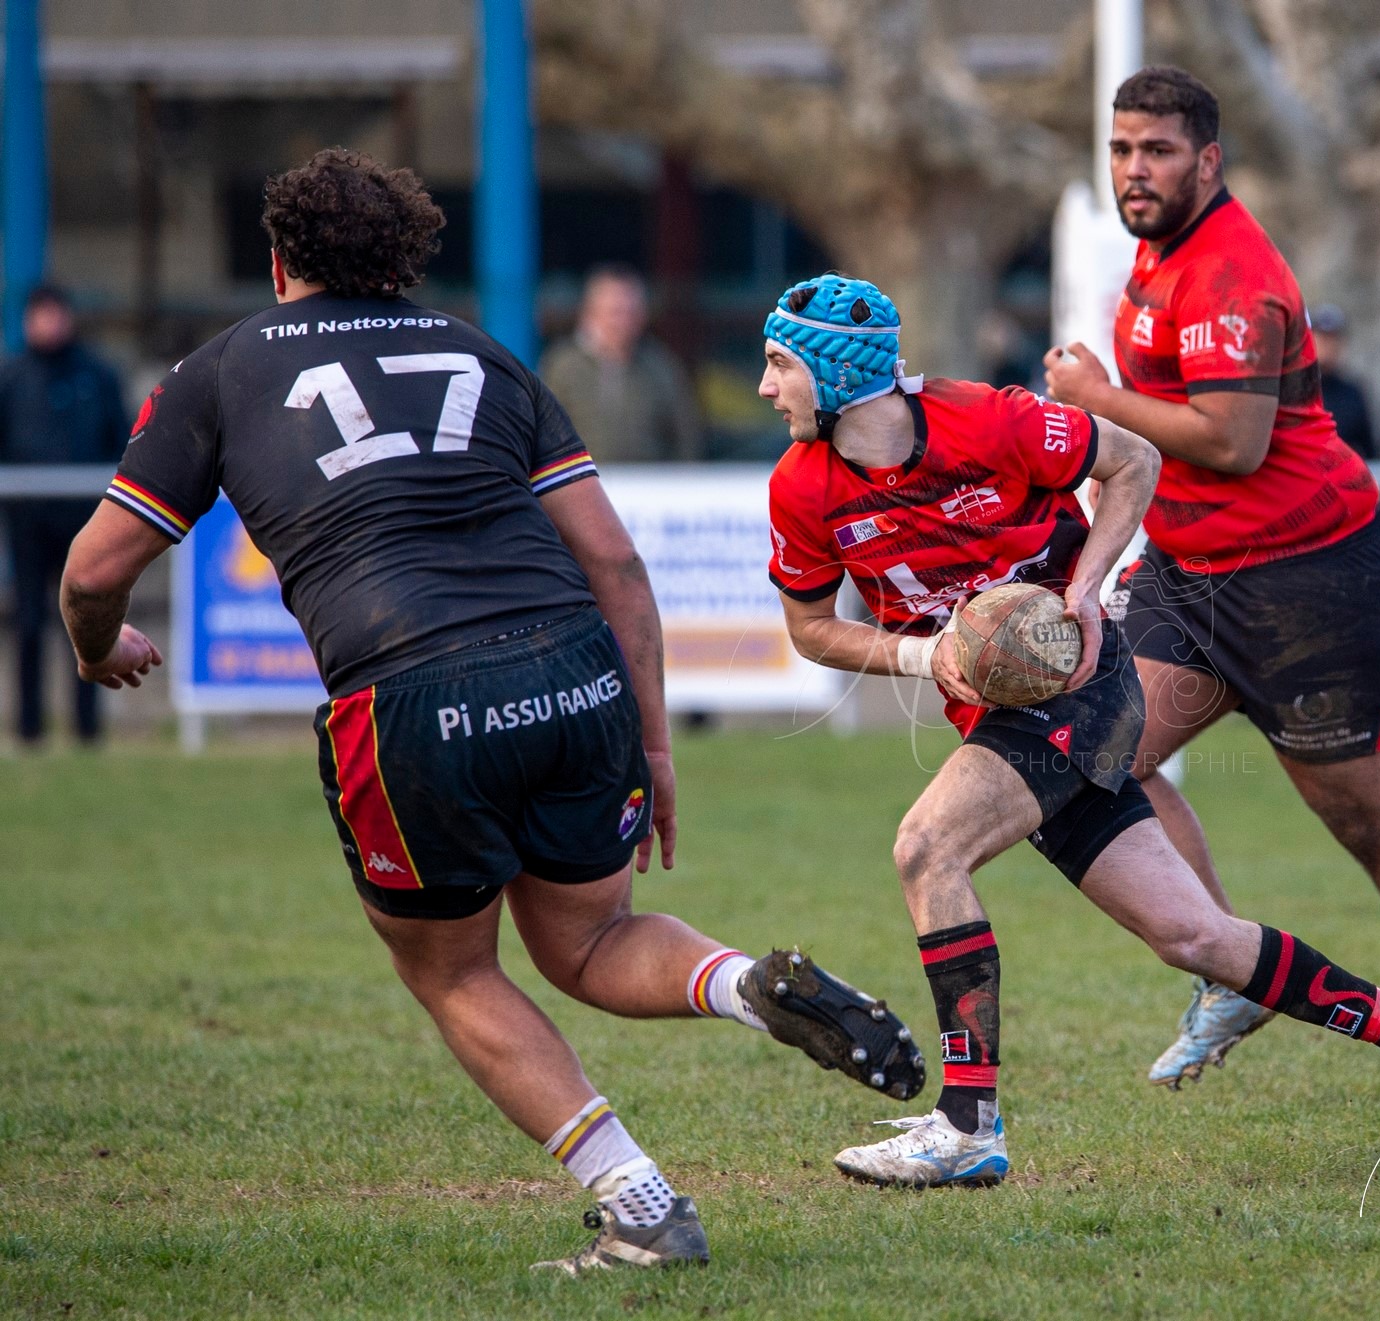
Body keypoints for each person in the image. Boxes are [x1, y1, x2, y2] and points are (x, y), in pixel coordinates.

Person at [58, 149, 924, 1276]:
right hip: (573, 665)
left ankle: (643, 1207)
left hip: (409, 689)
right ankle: (747, 987)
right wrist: (653, 743)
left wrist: (98, 646)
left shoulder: (221, 370)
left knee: (454, 971)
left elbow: (90, 573)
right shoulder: (477, 350)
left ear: (278, 264)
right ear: (401, 257)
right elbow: (613, 560)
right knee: (590, 941)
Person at [760, 274, 1380, 1187]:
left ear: (837, 376)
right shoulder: (800, 487)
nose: (765, 387)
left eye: (780, 364)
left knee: (927, 847)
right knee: (1195, 936)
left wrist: (1083, 591)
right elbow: (808, 627)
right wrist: (926, 656)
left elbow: (1134, 462)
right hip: (997, 712)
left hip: (1082, 686)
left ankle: (967, 1124)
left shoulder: (990, 419)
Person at [1039, 67, 1380, 1103]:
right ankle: (1228, 968)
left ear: (1207, 160)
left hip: (1309, 583)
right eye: (1122, 148)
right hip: (1192, 580)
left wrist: (1101, 398)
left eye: (1158, 151)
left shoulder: (1227, 270)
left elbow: (1232, 440)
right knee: (1088, 759)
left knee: (1371, 825)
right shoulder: (1161, 247)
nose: (1135, 169)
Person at [0, 285, 129, 745]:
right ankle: (29, 729)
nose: (49, 324)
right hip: (27, 523)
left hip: (86, 523)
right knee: (29, 621)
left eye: (56, 314)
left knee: (84, 624)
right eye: (41, 315)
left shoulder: (97, 376)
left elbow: (123, 443)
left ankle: (87, 730)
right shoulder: (11, 379)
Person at [539, 264, 702, 463]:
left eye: (631, 312)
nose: (623, 322)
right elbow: (542, 434)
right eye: (615, 312)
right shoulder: (562, 366)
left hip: (650, 487)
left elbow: (686, 437)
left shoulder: (660, 366)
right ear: (590, 313)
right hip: (579, 486)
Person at [1310, 303, 1375, 458]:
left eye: (1334, 339)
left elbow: (1370, 448)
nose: (1328, 345)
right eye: (1323, 338)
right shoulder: (1294, 390)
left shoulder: (1352, 394)